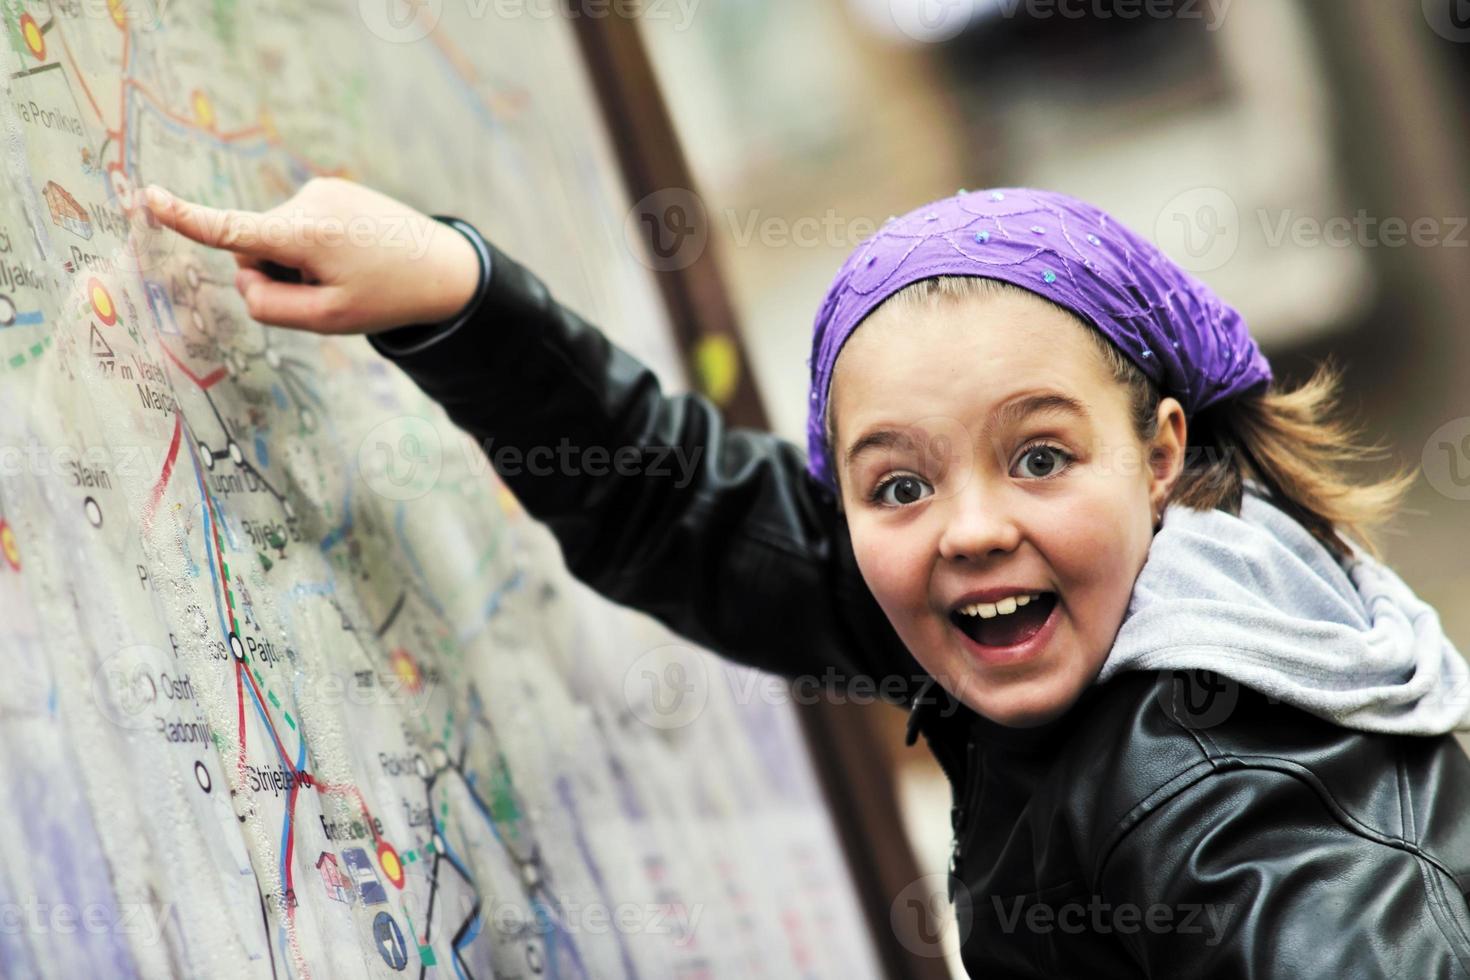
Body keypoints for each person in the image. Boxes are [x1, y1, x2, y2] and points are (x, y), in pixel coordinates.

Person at [143, 178, 1470, 977]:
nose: (965, 528)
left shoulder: (1223, 797)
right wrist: (458, 290)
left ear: (1158, 453)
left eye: (1038, 456)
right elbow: (690, 512)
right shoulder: (1059, 601)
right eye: (896, 482)